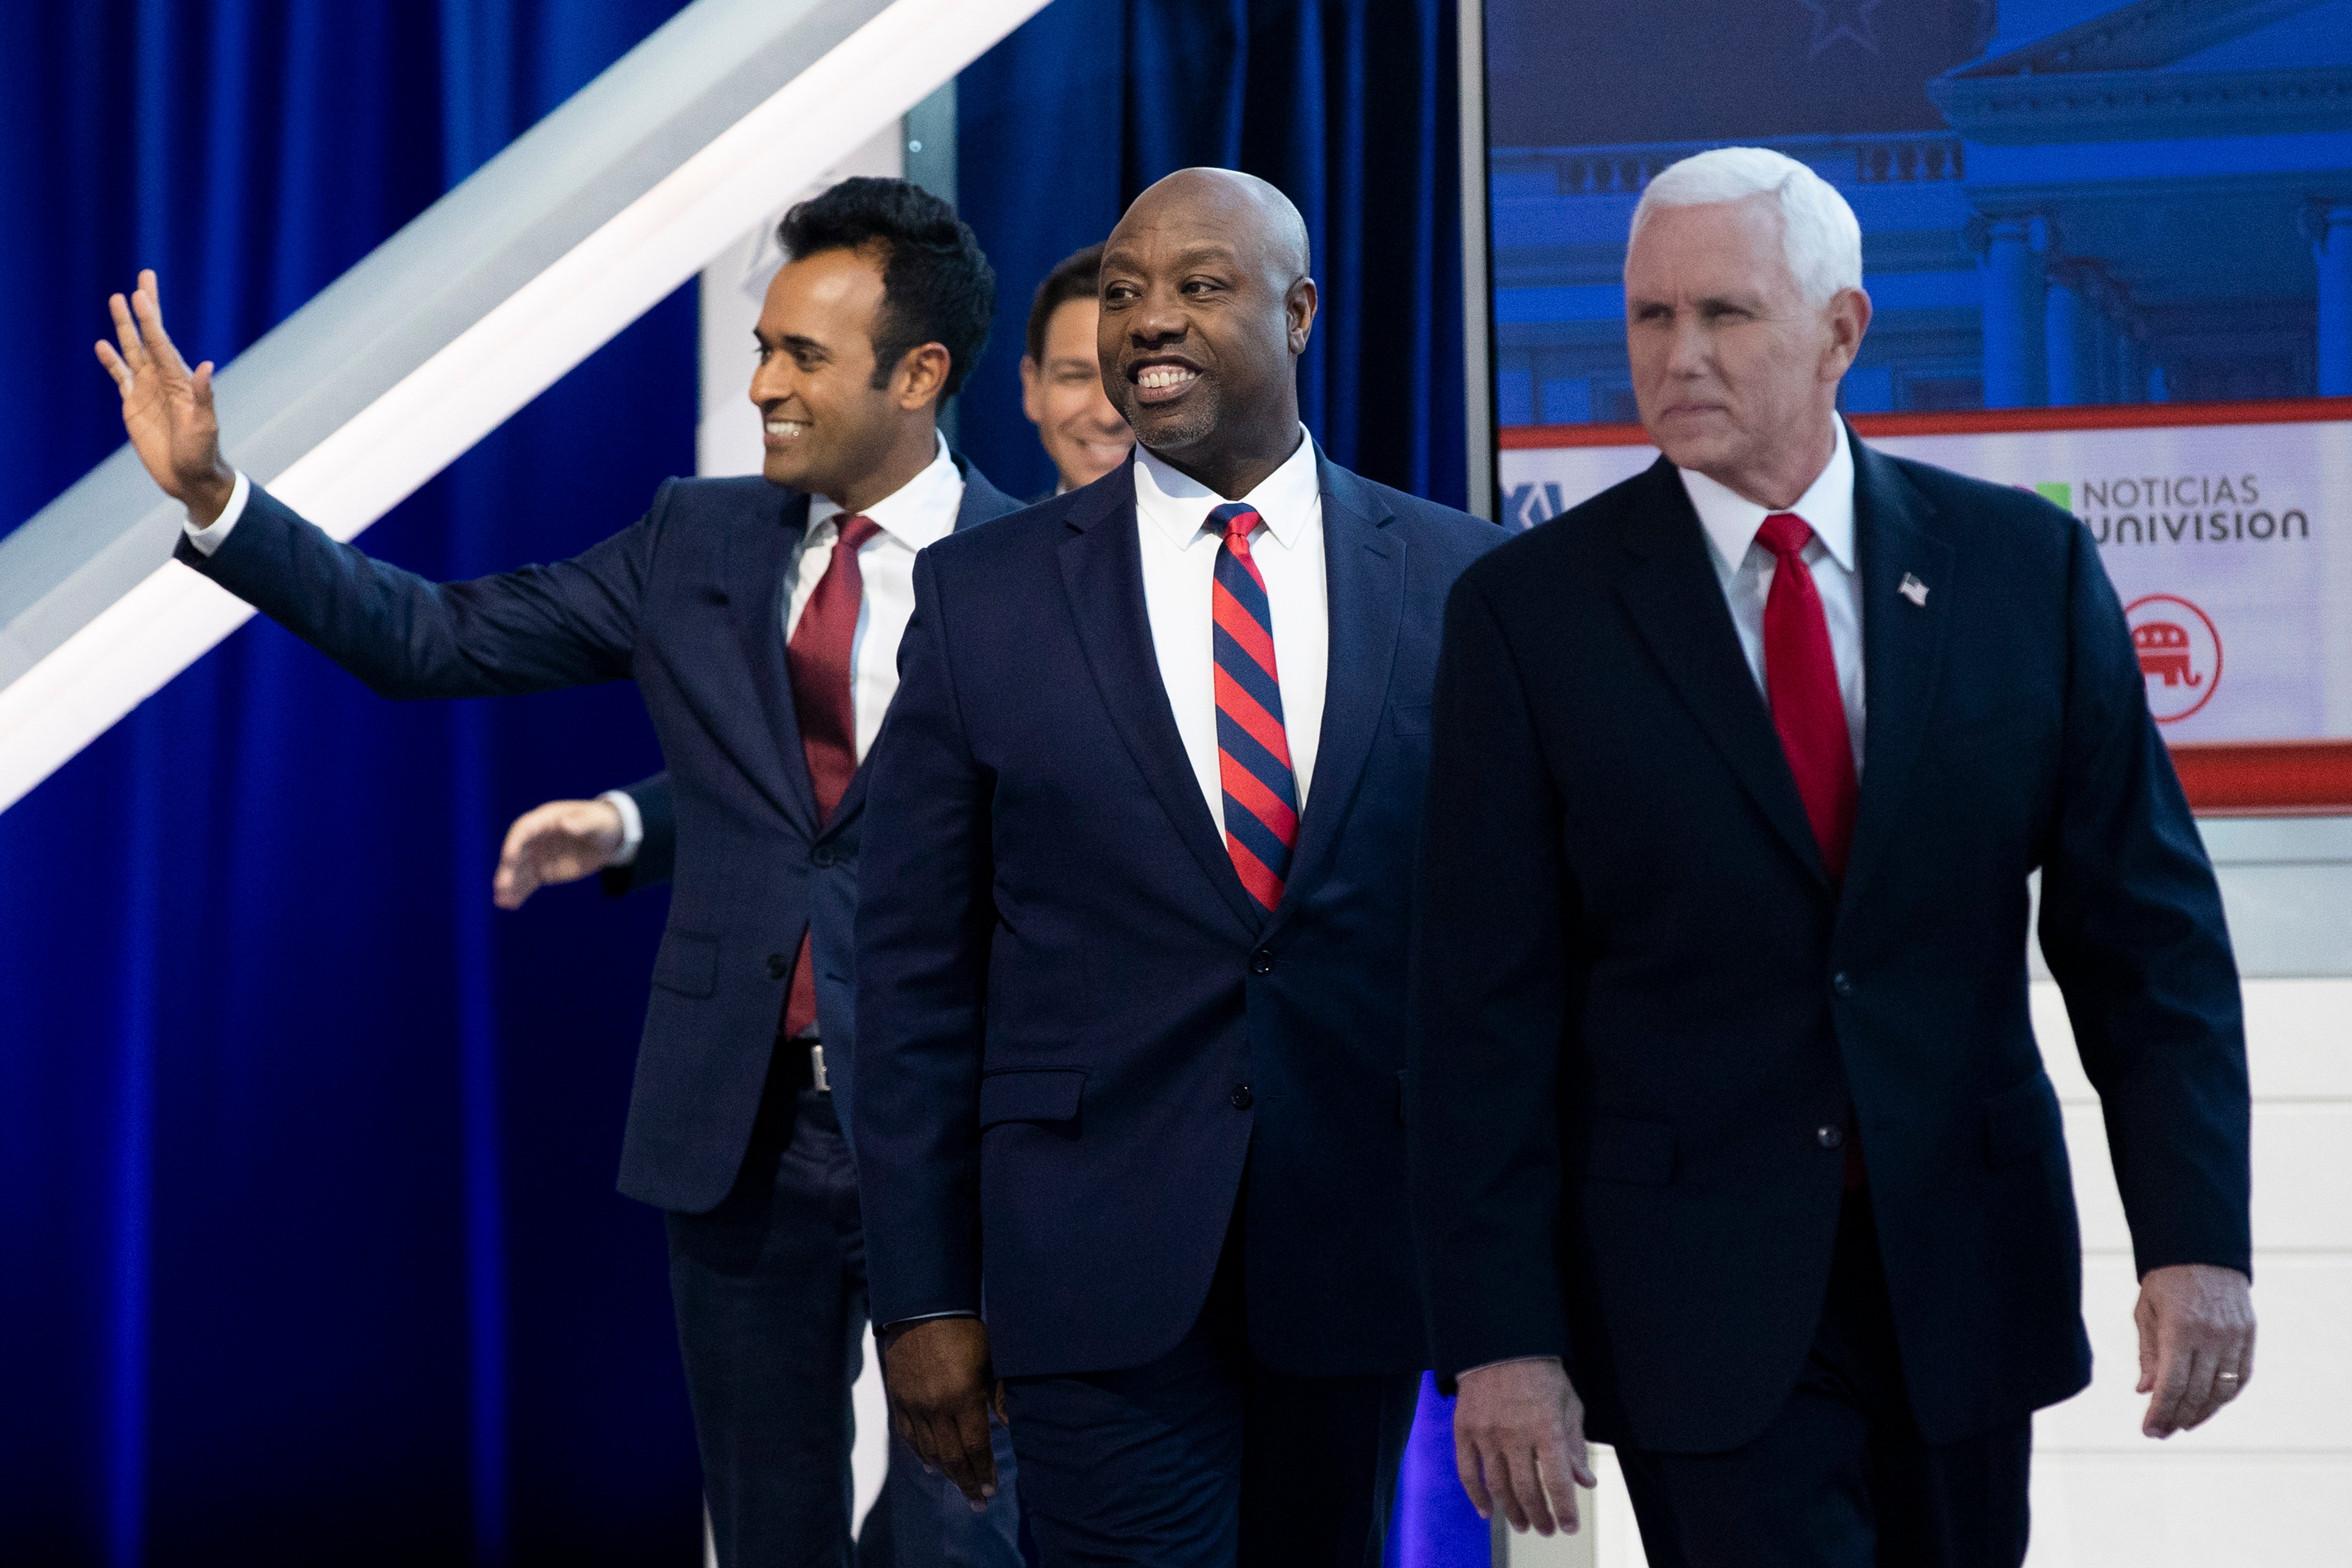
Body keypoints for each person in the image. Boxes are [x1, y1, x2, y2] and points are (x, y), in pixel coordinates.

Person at [97, 177, 1029, 1568]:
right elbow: (434, 640)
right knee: (772, 1541)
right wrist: (221, 500)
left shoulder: (1033, 574)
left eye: (803, 357)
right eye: (764, 346)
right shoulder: (695, 539)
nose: (765, 382)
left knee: (967, 1540)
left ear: (922, 374)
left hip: (962, 1148)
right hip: (743, 1144)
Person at [1408, 146, 2254, 1564]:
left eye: (1723, 315)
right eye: (1647, 318)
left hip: (1961, 1278)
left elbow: (2144, 942)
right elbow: (1474, 1012)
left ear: (1842, 332)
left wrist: (2195, 1238)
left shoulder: (2018, 573)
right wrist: (1499, 1338)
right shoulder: (1526, 615)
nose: (1675, 356)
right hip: (1692, 1296)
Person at [847, 167, 1501, 1567]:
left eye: (1198, 286)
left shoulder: (1460, 584)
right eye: (1126, 292)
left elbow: (1507, 953)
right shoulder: (983, 595)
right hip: (1088, 1266)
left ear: (1299, 310)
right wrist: (919, 1297)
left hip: (1356, 1260)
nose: (1146, 321)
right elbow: (907, 973)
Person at [1015, 243, 1131, 499]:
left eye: (1133, 377)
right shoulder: (993, 540)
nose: (1108, 417)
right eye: (1076, 377)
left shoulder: (1235, 535)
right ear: (1032, 388)